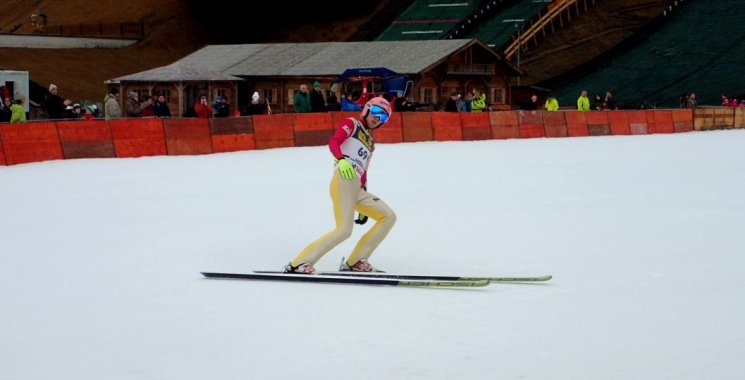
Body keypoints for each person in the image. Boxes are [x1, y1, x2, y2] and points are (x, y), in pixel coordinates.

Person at [285, 97, 397, 274]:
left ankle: (356, 261)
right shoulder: (352, 123)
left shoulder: (370, 143)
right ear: (367, 109)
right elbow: (334, 142)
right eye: (376, 112)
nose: (378, 118)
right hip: (343, 179)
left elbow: (364, 171)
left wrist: (363, 195)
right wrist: (341, 160)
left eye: (383, 117)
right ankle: (299, 263)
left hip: (357, 188)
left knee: (388, 216)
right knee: (344, 230)